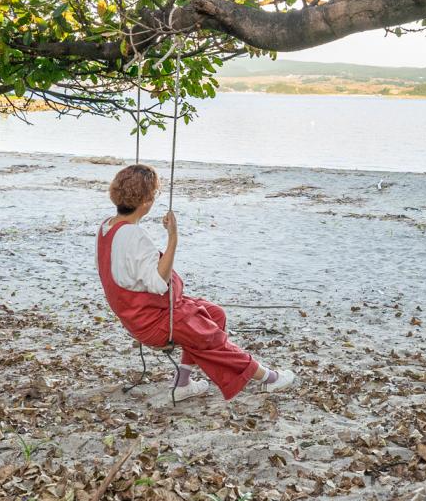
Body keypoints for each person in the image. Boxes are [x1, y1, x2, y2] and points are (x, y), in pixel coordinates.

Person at [96, 163, 294, 401]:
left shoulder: (107, 226)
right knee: (209, 336)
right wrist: (173, 238)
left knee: (215, 314)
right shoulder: (134, 235)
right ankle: (269, 378)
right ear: (147, 202)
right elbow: (159, 282)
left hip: (144, 311)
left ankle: (183, 384)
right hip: (153, 320)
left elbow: (126, 271)